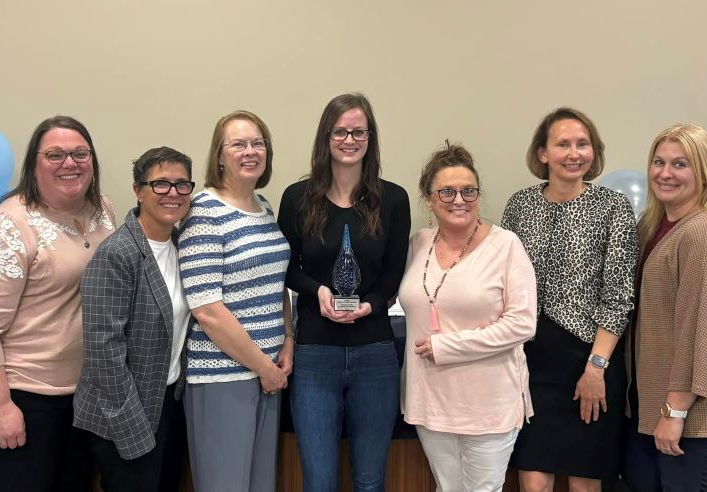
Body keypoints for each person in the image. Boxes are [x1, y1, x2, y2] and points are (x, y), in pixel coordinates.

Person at [0, 116, 115, 492]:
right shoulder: (7, 225)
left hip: (79, 395)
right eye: (54, 155)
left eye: (79, 153)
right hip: (18, 394)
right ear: (33, 165)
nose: (69, 163)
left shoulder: (101, 211)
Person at [277, 93, 411, 491]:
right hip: (316, 352)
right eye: (340, 131)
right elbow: (286, 267)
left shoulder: (393, 199)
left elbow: (393, 272)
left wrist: (370, 305)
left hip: (375, 353)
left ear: (370, 138)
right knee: (319, 481)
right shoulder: (296, 198)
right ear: (326, 137)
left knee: (370, 481)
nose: (349, 140)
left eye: (358, 131)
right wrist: (317, 291)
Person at [503, 107, 638, 491]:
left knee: (583, 484)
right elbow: (506, 282)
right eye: (563, 144)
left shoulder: (613, 207)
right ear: (543, 153)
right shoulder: (520, 206)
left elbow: (619, 296)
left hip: (590, 361)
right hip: (531, 363)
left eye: (583, 144)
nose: (574, 153)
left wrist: (596, 369)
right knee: (533, 481)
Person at [398, 142, 536, 491]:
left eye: (468, 191)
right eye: (446, 191)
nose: (459, 200)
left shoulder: (506, 246)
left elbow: (522, 323)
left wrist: (449, 346)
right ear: (429, 199)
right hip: (429, 399)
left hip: (488, 403)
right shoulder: (418, 244)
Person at [177, 110, 292, 492]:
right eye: (239, 143)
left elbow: (278, 283)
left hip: (267, 373)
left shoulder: (265, 207)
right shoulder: (203, 211)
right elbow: (207, 309)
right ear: (220, 155)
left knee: (260, 485)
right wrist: (263, 366)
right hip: (223, 376)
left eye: (258, 143)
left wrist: (287, 341)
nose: (250, 151)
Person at [73, 146, 194, 492]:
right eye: (160, 184)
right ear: (139, 191)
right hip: (123, 413)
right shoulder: (118, 253)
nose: (173, 193)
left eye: (182, 185)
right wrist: (133, 429)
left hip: (166, 405)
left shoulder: (181, 246)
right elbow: (102, 351)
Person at [622, 124, 707, 491]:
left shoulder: (705, 231)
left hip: (690, 421)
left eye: (680, 164)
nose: (665, 173)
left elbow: (703, 331)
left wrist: (675, 412)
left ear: (703, 171)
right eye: (659, 162)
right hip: (649, 411)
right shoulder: (654, 227)